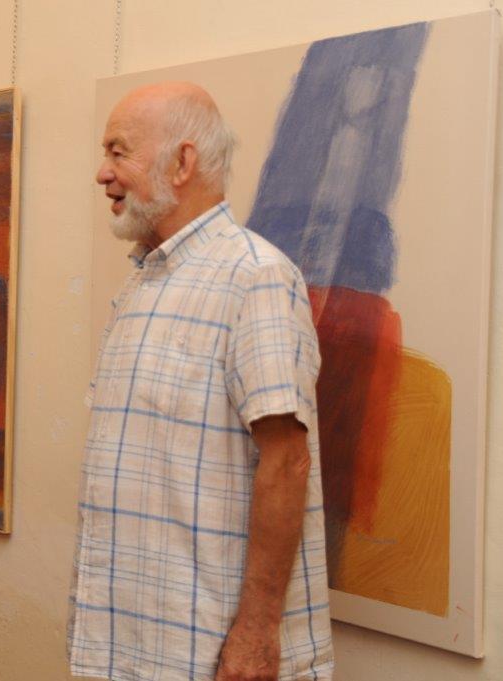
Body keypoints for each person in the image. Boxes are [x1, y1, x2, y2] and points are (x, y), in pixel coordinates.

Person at [68, 82, 334, 681]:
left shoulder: (256, 278)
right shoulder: (143, 283)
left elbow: (287, 463)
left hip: (209, 656)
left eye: (117, 152)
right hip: (130, 645)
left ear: (182, 162)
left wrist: (257, 634)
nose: (102, 173)